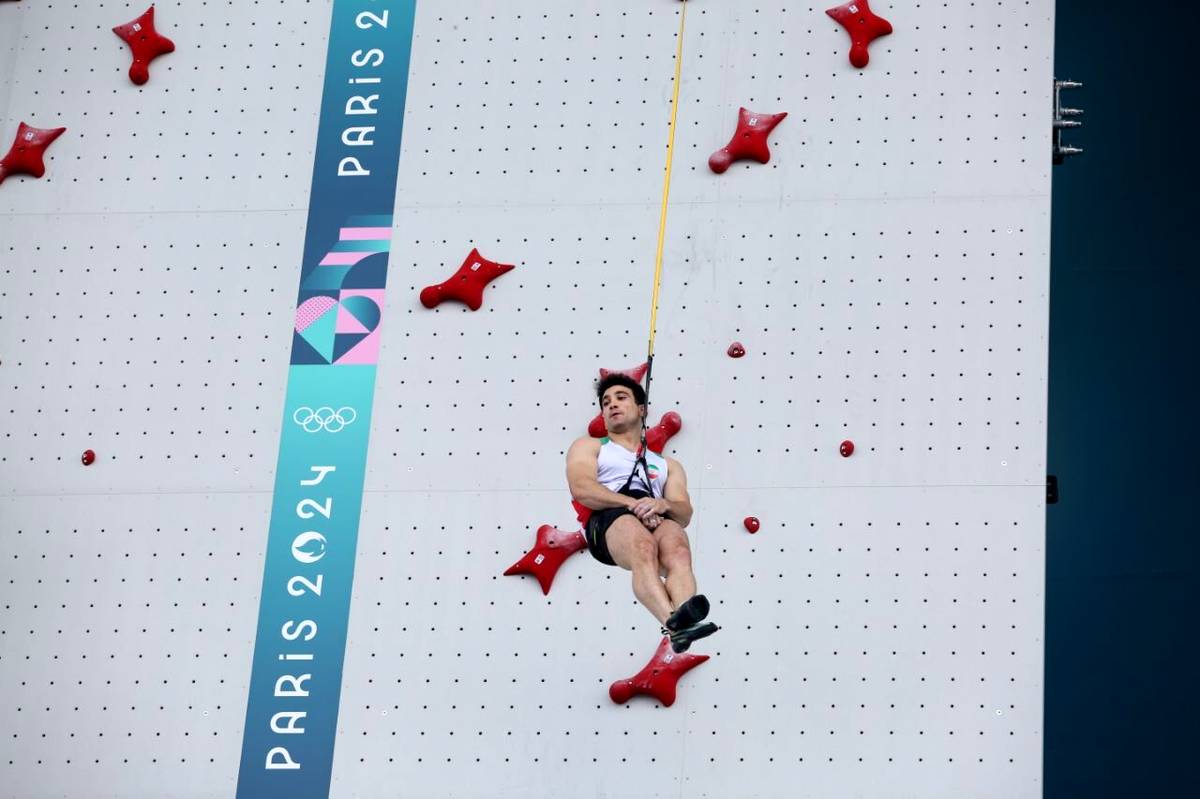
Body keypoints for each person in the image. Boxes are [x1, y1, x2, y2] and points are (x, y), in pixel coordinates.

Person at [565, 373, 718, 652]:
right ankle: (674, 624)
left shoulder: (668, 465)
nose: (612, 404)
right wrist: (632, 504)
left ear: (641, 410)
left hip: (654, 514)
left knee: (678, 547)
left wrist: (663, 505)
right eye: (606, 402)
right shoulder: (590, 447)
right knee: (642, 545)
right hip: (608, 518)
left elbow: (684, 513)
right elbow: (582, 488)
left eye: (621, 398)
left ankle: (683, 618)